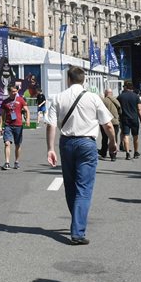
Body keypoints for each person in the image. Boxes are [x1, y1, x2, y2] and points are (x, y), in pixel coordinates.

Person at [45, 66, 116, 245]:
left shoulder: (58, 98)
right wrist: (113, 143)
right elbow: (108, 125)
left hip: (66, 143)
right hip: (87, 144)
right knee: (84, 188)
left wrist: (50, 148)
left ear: (68, 79)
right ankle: (77, 231)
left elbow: (50, 125)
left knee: (70, 186)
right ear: (84, 80)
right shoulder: (94, 98)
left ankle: (77, 219)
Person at [1, 81, 27, 170]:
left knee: (17, 145)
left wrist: (27, 120)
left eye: (16, 91)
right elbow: (2, 115)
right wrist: (1, 126)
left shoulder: (20, 100)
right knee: (7, 143)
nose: (15, 93)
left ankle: (16, 161)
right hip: (8, 125)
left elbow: (26, 110)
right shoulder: (5, 102)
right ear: (9, 92)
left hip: (18, 125)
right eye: (13, 91)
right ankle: (7, 162)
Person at [116, 82, 141, 159]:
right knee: (135, 136)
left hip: (124, 119)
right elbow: (139, 109)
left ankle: (127, 153)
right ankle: (136, 152)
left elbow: (117, 108)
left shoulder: (120, 97)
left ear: (125, 87)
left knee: (126, 136)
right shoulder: (136, 96)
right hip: (134, 119)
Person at [100, 88, 121, 161]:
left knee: (105, 138)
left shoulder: (103, 100)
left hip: (105, 121)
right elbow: (120, 110)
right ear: (111, 93)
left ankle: (103, 153)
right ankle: (113, 155)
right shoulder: (116, 100)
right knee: (114, 138)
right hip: (115, 121)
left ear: (105, 93)